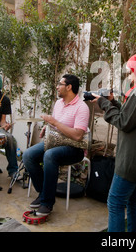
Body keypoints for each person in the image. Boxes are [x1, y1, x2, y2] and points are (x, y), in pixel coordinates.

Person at [92, 53, 136, 232]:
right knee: (134, 200)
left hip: (134, 157)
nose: (129, 76)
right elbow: (131, 115)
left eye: (131, 72)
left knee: (115, 202)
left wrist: (103, 103)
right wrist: (113, 102)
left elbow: (124, 122)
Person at [23, 74, 90, 216]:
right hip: (55, 143)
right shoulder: (59, 103)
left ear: (69, 87)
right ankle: (43, 194)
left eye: (60, 84)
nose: (57, 87)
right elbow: (55, 126)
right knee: (28, 155)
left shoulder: (82, 107)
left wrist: (54, 123)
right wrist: (47, 128)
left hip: (74, 149)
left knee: (50, 155)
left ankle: (47, 203)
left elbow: (78, 135)